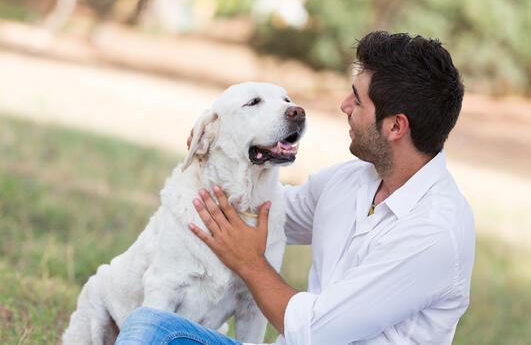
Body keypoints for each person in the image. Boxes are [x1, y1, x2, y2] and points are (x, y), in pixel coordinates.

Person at [115, 31, 475, 345]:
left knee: (152, 333)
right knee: (150, 324)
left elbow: (315, 329)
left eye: (358, 100)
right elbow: (267, 210)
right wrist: (220, 149)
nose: (343, 106)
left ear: (395, 127)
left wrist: (251, 263)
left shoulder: (435, 233)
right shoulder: (353, 180)